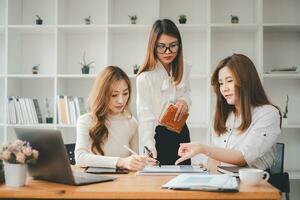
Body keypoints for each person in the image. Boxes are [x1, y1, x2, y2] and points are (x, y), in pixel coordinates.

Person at [175, 54, 281, 170]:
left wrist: (202, 149)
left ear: (246, 80)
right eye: (221, 83)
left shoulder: (268, 114)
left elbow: (243, 157)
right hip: (222, 180)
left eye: (229, 81)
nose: (224, 88)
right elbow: (215, 159)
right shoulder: (222, 115)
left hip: (254, 184)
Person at [75, 66, 156, 171]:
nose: (121, 100)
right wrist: (121, 162)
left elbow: (135, 158)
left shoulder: (131, 122)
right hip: (94, 183)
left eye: (125, 93)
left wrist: (141, 161)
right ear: (102, 95)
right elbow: (80, 157)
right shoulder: (86, 120)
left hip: (122, 183)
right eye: (114, 95)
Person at [136, 19, 192, 165]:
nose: (168, 52)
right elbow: (146, 117)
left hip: (181, 132)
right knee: (158, 183)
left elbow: (187, 93)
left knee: (184, 181)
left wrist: (185, 102)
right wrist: (149, 146)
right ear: (153, 46)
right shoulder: (145, 78)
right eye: (161, 46)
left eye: (173, 46)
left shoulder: (184, 67)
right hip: (157, 136)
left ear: (179, 45)